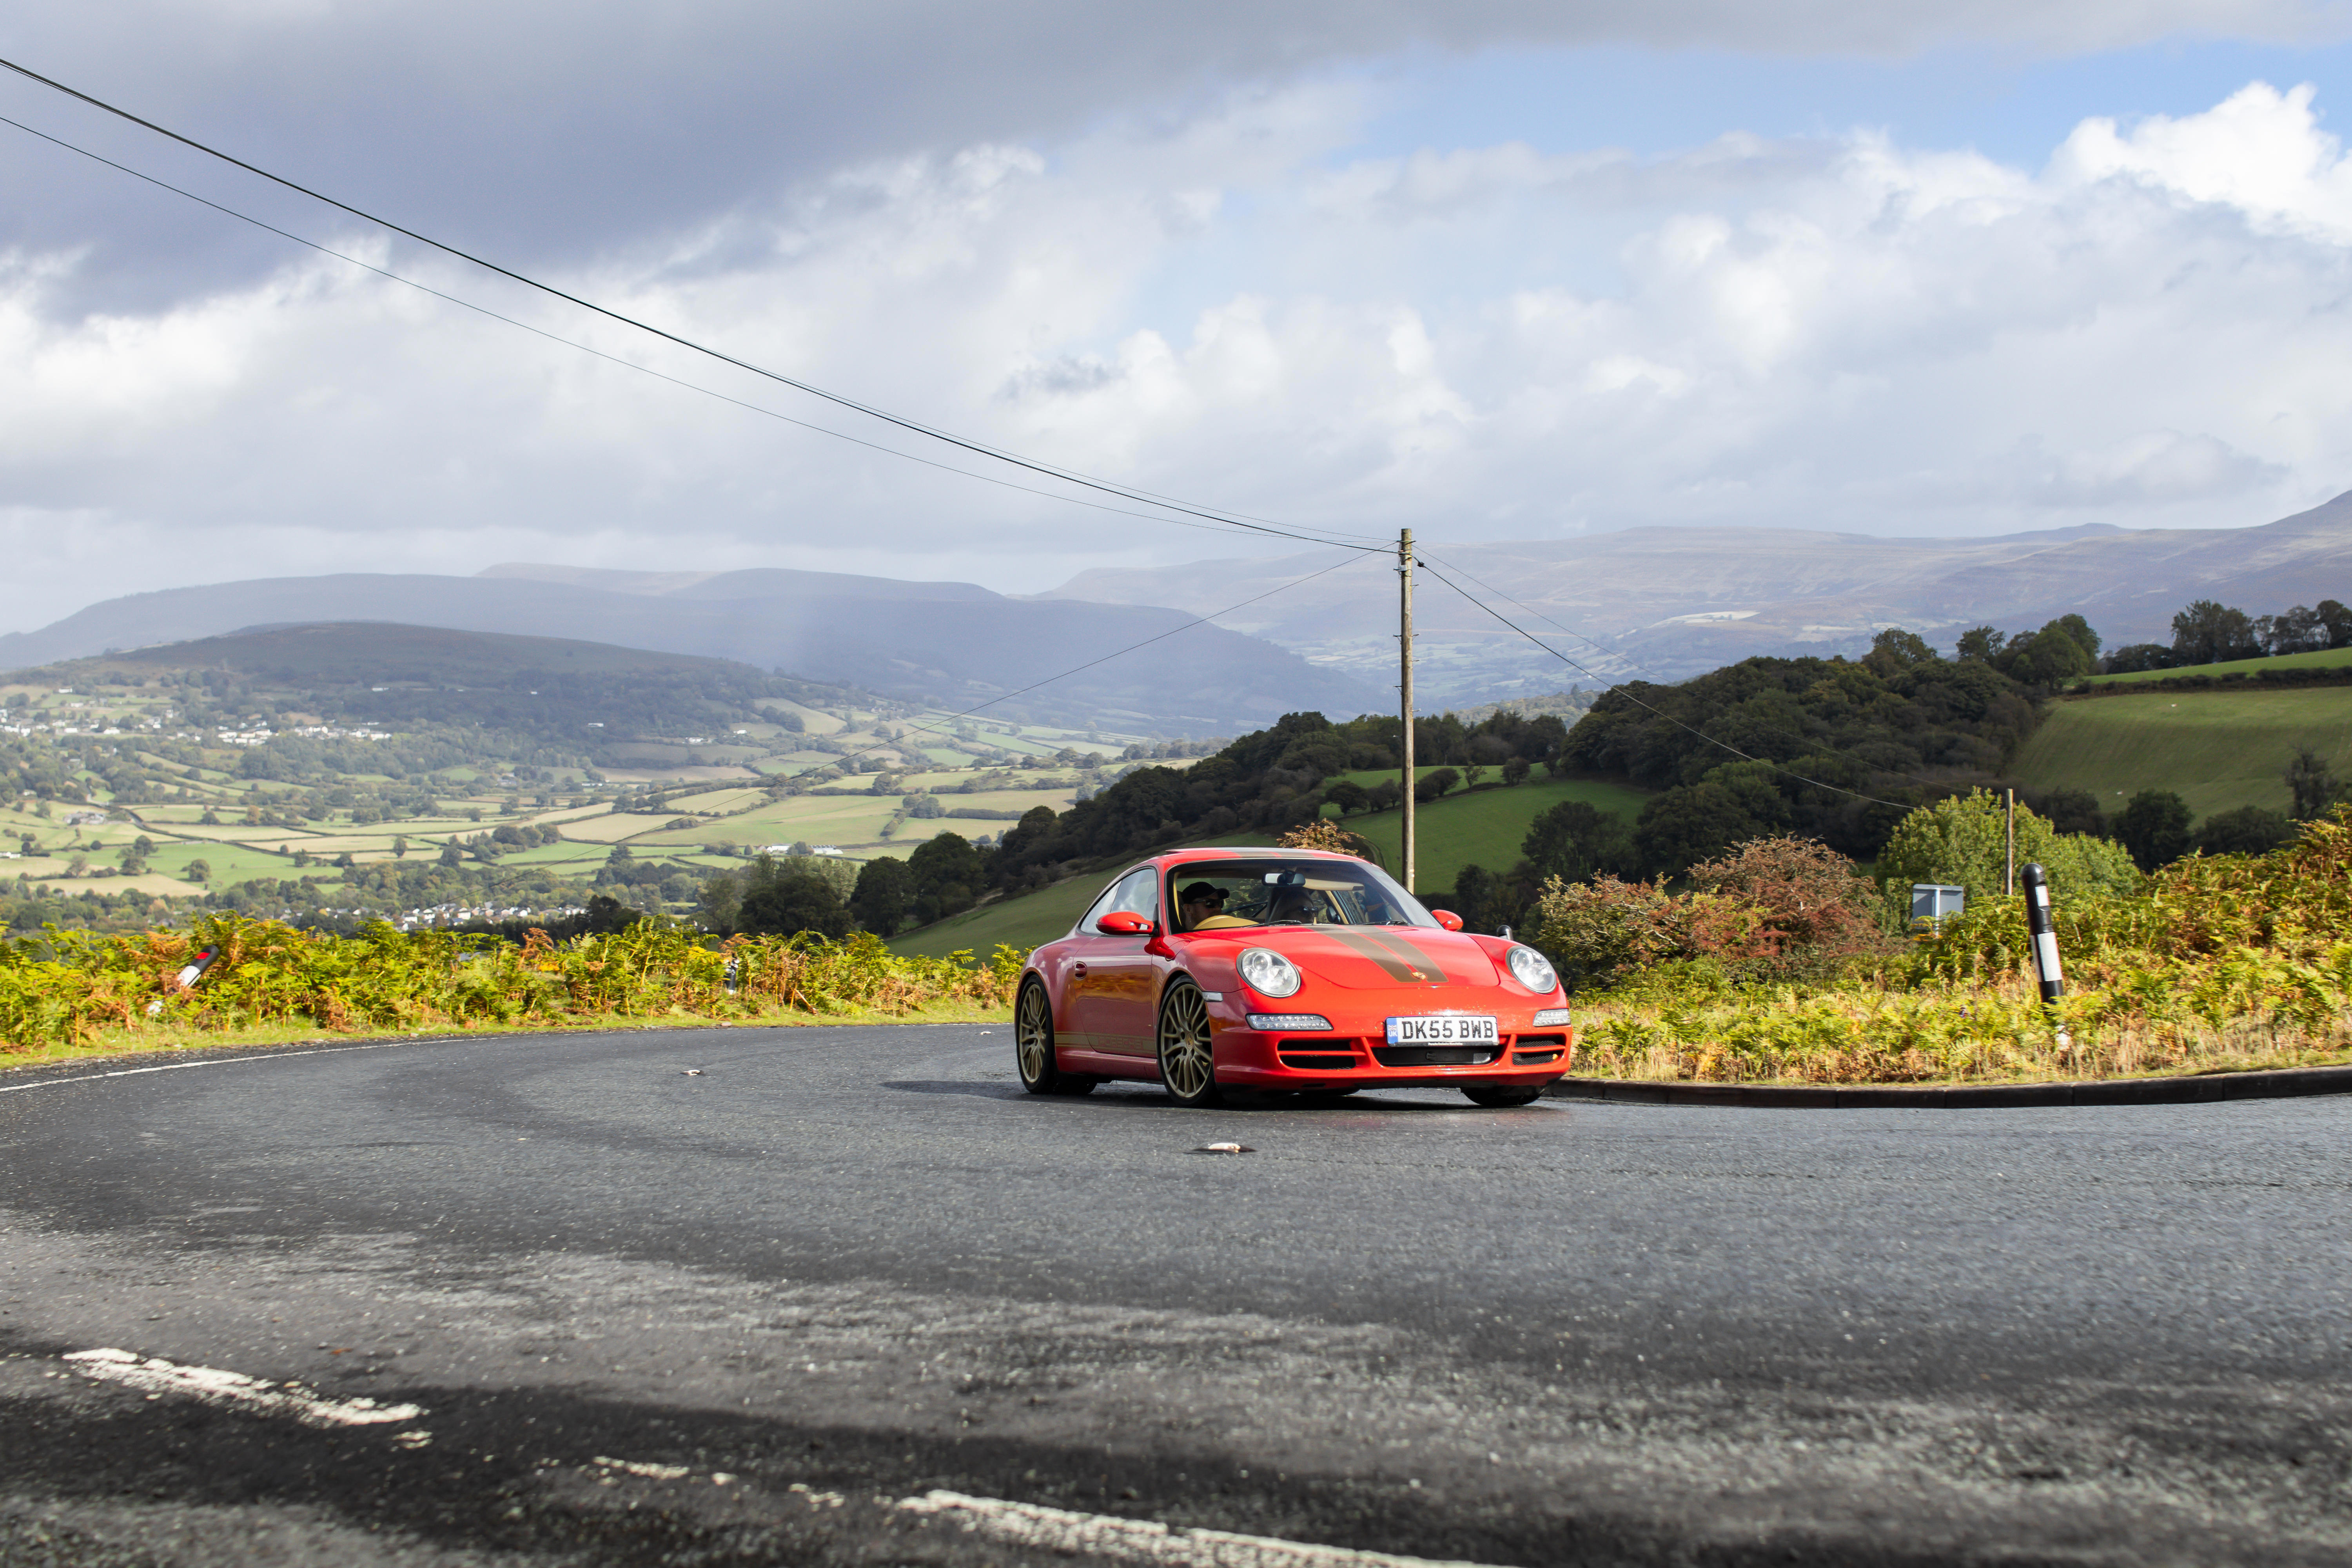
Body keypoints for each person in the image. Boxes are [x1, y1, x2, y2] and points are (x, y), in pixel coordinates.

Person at [1179, 880, 1251, 931]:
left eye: (1219, 903)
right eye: (1210, 903)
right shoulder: (1180, 941)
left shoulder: (1230, 931)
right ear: (1188, 909)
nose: (1217, 908)